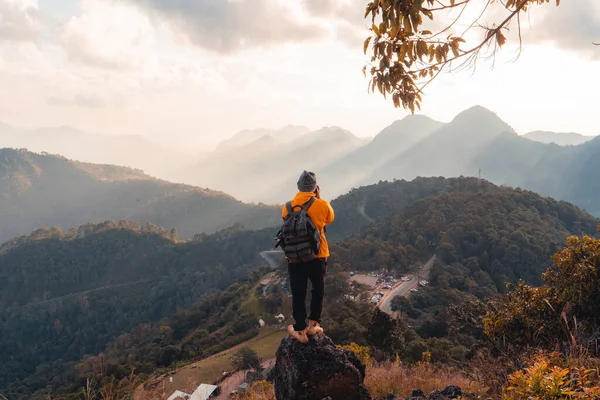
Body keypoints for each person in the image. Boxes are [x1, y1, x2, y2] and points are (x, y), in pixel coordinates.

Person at [282, 170, 334, 343]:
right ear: (314, 187)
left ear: (298, 187)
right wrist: (318, 198)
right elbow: (329, 219)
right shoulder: (322, 204)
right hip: (317, 255)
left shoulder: (287, 206)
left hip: (294, 257)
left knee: (298, 292)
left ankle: (300, 331)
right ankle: (313, 325)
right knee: (317, 289)